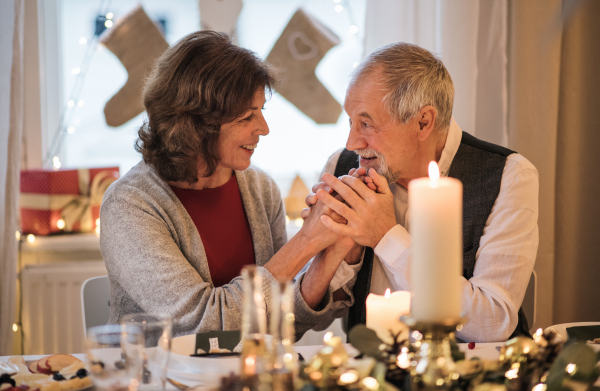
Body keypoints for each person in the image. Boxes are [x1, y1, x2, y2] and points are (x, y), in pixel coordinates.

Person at [99, 31, 352, 338]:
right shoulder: (130, 205)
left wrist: (336, 241)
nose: (264, 128)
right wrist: (306, 242)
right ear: (196, 124)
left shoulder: (260, 188)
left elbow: (283, 323)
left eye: (261, 111)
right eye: (247, 117)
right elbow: (202, 326)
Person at [303, 42, 539, 342]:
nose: (352, 142)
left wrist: (386, 237)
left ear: (423, 121)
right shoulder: (343, 165)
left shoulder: (509, 176)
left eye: (366, 123)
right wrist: (339, 254)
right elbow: (320, 321)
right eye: (351, 122)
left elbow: (493, 322)